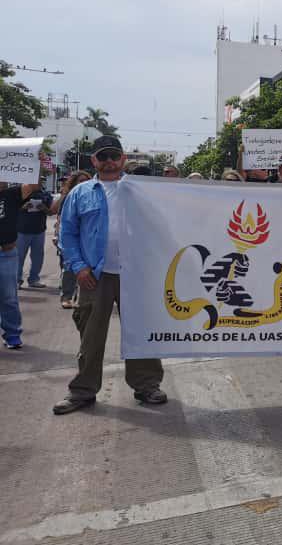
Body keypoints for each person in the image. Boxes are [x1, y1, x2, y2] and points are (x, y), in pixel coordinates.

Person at [52, 135, 167, 415]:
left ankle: (147, 385)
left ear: (123, 158)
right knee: (90, 337)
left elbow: (159, 226)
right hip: (94, 276)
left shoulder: (141, 190)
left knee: (140, 333)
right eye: (102, 157)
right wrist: (78, 267)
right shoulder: (81, 193)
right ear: (94, 161)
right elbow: (67, 233)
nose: (109, 162)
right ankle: (82, 391)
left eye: (114, 156)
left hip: (134, 275)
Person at [0, 179, 42, 348]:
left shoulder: (12, 194)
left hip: (6, 253)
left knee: (9, 297)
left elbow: (34, 185)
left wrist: (36, 161)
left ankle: (12, 334)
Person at [50, 171, 91, 309]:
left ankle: (80, 297)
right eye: (80, 180)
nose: (84, 183)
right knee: (68, 269)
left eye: (86, 180)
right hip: (70, 239)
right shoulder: (69, 197)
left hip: (87, 240)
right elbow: (60, 218)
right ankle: (66, 297)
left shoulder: (93, 196)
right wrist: (57, 236)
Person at [16, 184, 54, 288]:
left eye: (39, 180)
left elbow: (51, 212)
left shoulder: (45, 195)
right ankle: (17, 280)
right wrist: (23, 207)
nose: (36, 183)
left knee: (38, 257)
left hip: (39, 230)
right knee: (19, 257)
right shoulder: (20, 193)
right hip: (21, 231)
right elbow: (11, 210)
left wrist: (44, 208)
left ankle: (34, 279)